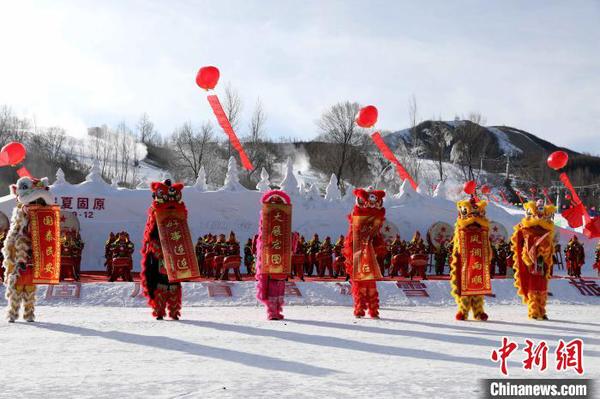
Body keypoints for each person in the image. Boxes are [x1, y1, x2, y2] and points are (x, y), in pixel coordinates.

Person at [3, 176, 61, 323]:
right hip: (17, 263)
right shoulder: (19, 223)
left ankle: (28, 314)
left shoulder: (37, 221)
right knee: (16, 289)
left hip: (30, 263)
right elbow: (12, 244)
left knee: (29, 290)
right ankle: (13, 313)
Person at [140, 179, 199, 320]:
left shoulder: (179, 215)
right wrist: (158, 251)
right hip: (160, 255)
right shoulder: (155, 215)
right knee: (160, 281)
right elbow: (151, 237)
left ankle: (173, 310)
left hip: (175, 252)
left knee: (174, 283)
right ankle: (159, 310)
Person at [343, 187, 386, 319]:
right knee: (359, 283)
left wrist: (378, 245)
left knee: (371, 283)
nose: (371, 204)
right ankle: (360, 308)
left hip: (370, 253)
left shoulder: (375, 221)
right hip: (358, 252)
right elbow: (352, 236)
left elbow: (377, 236)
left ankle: (373, 310)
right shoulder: (357, 217)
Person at [449, 194, 493, 321]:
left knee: (478, 289)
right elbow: (456, 247)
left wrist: (488, 256)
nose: (474, 218)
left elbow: (487, 248)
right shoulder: (460, 231)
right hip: (464, 265)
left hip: (478, 265)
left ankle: (478, 311)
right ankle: (463, 310)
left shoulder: (483, 232)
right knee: (463, 288)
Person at [511, 200, 556, 320]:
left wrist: (545, 252)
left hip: (543, 264)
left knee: (542, 288)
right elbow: (524, 249)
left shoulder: (547, 232)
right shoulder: (527, 231)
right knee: (533, 288)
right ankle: (533, 310)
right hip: (532, 263)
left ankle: (541, 310)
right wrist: (532, 254)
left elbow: (550, 248)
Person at [255, 190, 292, 320]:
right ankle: (271, 311)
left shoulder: (283, 223)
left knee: (280, 286)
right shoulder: (266, 223)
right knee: (271, 287)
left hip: (280, 258)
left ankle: (277, 310)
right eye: (273, 202)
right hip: (270, 259)